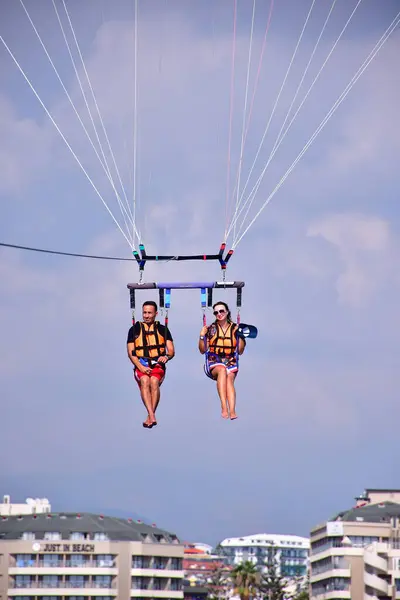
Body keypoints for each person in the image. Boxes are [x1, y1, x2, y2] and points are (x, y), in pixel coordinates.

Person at [127, 300, 175, 428]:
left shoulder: (162, 329)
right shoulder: (134, 329)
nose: (146, 316)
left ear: (155, 314)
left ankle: (150, 414)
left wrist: (166, 357)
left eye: (149, 313)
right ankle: (151, 414)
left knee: (153, 381)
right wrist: (141, 367)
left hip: (157, 365)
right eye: (144, 313)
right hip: (140, 364)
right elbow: (131, 353)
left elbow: (171, 351)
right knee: (145, 381)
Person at [198, 301, 246, 420]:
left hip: (230, 360)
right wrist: (201, 336)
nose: (219, 314)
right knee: (222, 370)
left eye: (221, 311)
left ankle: (233, 410)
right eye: (216, 312)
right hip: (214, 361)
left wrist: (241, 337)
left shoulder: (235, 328)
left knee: (229, 379)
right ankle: (224, 406)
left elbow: (240, 351)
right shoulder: (211, 329)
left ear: (227, 312)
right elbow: (202, 350)